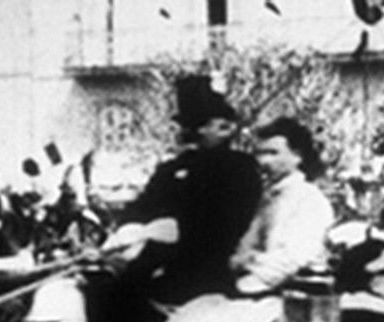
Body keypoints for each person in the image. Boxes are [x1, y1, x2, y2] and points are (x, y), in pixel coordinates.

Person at [109, 76, 263, 303]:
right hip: (154, 261)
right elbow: (143, 207)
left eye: (204, 124)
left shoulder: (239, 168)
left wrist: (169, 235)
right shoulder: (171, 168)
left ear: (225, 128)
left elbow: (227, 225)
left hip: (206, 269)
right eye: (190, 125)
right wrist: (130, 228)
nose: (194, 133)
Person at [230, 117, 334, 295]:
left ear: (297, 156)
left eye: (273, 153)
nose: (264, 161)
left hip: (296, 294)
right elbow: (245, 248)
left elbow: (292, 258)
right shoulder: (266, 198)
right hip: (255, 287)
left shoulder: (309, 199)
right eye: (260, 153)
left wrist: (244, 286)